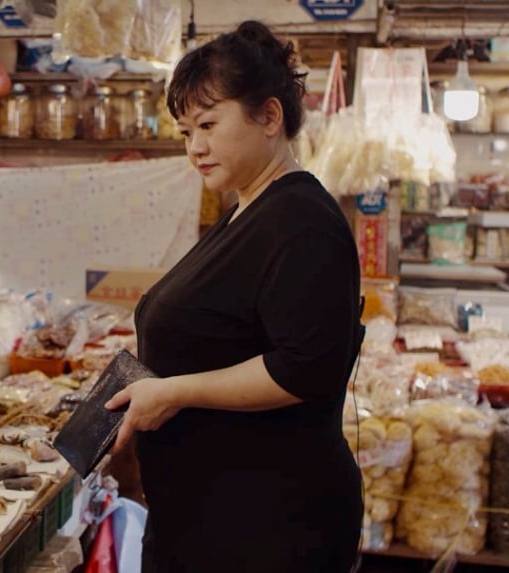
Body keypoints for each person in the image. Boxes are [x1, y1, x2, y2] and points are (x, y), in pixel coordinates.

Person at [104, 20, 365, 573]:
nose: (194, 147)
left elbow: (303, 368)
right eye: (183, 132)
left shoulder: (302, 222)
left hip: (266, 527)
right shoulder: (247, 209)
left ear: (269, 117)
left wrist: (175, 391)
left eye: (207, 124)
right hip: (208, 516)